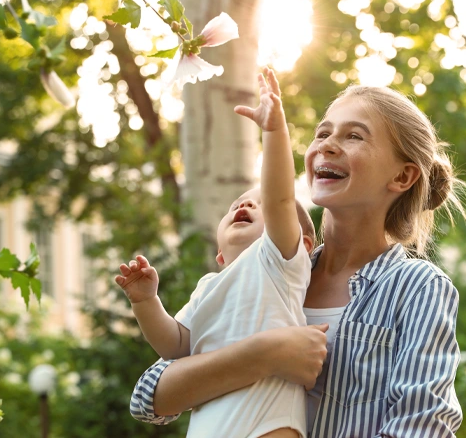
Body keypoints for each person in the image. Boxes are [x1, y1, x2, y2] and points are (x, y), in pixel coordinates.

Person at [129, 81, 466, 437]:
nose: (327, 145)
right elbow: (149, 399)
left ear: (402, 176)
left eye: (354, 136)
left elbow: (421, 427)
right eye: (322, 133)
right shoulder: (267, 271)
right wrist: (265, 353)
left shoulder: (417, 288)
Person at [116, 68, 317, 438]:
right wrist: (146, 303)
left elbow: (280, 197)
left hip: (265, 422)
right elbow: (176, 346)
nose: (246, 204)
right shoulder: (209, 286)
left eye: (259, 205)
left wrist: (273, 132)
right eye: (237, 204)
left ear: (302, 245)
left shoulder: (278, 263)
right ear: (220, 256)